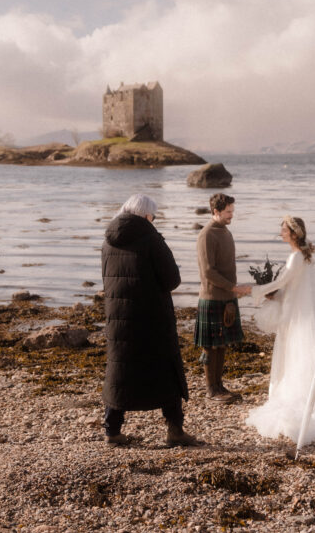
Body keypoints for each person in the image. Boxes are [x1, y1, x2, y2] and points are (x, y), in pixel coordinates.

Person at [100, 193, 202, 448]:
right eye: (153, 215)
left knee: (119, 368)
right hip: (152, 316)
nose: (153, 220)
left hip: (118, 317)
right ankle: (175, 430)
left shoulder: (107, 240)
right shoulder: (151, 238)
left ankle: (112, 431)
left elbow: (105, 279)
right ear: (146, 215)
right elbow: (172, 280)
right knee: (166, 368)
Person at [246, 216, 315, 444]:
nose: (281, 232)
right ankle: (292, 397)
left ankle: (290, 402)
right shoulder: (302, 256)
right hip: (295, 314)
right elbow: (293, 288)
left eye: (284, 229)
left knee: (290, 356)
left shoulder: (295, 258)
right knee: (292, 357)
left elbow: (280, 284)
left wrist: (257, 290)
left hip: (294, 318)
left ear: (294, 233)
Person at [195, 192, 252, 403]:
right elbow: (207, 271)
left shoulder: (224, 231)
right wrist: (234, 288)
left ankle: (219, 386)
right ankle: (211, 390)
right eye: (228, 212)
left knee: (222, 344)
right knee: (211, 346)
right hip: (212, 297)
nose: (231, 215)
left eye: (232, 211)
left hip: (227, 297)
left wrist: (233, 290)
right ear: (216, 211)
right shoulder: (207, 234)